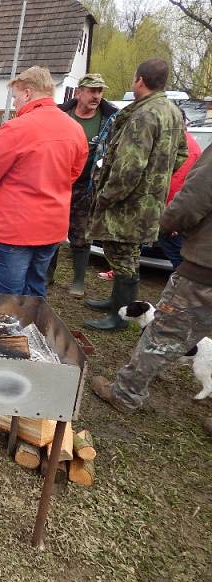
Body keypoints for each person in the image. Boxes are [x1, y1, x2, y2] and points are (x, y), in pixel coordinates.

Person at [91, 144, 212, 415]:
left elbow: (193, 200)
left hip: (205, 273)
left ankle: (125, 394)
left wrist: (165, 225)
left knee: (162, 334)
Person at [84, 58, 189, 331]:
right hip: (148, 201)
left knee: (122, 254)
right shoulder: (173, 111)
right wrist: (158, 177)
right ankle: (116, 303)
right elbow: (182, 153)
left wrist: (106, 196)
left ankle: (120, 317)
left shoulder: (144, 115)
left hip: (128, 204)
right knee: (126, 254)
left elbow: (128, 168)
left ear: (140, 80)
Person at [0, 66, 87, 297]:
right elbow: (74, 173)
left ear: (28, 93)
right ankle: (34, 330)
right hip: (52, 227)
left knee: (10, 298)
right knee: (35, 289)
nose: (15, 104)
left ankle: (15, 332)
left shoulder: (16, 128)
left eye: (16, 98)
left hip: (14, 230)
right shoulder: (75, 129)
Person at [49, 73, 118, 297]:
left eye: (100, 91)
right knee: (52, 232)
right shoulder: (61, 114)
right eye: (92, 91)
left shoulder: (110, 119)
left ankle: (78, 281)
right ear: (79, 92)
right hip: (57, 183)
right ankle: (48, 274)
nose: (96, 96)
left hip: (86, 186)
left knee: (81, 235)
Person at [158, 112, 202, 269]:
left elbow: (177, 182)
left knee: (176, 251)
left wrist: (171, 214)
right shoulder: (177, 142)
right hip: (171, 207)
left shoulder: (186, 146)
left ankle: (183, 282)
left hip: (171, 209)